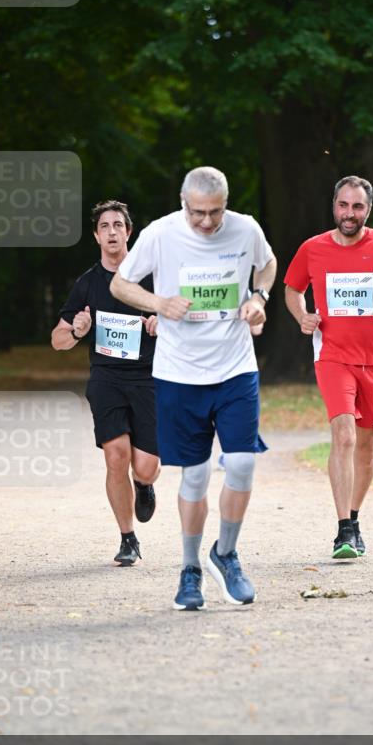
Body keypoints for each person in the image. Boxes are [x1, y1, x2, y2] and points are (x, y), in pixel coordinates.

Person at [110, 166, 277, 611]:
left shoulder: (245, 229)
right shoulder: (160, 234)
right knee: (197, 475)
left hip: (236, 367)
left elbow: (267, 265)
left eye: (215, 212)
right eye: (199, 213)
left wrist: (259, 300)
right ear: (184, 203)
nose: (207, 222)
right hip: (179, 373)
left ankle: (226, 553)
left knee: (242, 463)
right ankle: (190, 569)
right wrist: (159, 303)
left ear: (227, 203)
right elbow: (120, 284)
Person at [284, 175, 373, 559]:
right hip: (332, 355)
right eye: (343, 205)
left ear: (368, 210)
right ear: (334, 206)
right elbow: (292, 290)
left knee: (366, 444)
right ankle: (343, 529)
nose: (349, 213)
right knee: (343, 436)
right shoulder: (313, 248)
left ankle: (356, 517)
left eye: (357, 206)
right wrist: (302, 316)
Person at [51, 201, 160, 566]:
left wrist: (163, 324)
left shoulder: (152, 278)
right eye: (105, 226)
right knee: (116, 456)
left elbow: (186, 319)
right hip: (107, 379)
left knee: (144, 466)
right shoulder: (87, 284)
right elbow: (58, 340)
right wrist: (77, 330)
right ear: (96, 235)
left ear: (129, 233)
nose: (112, 232)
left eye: (118, 225)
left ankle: (144, 486)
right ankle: (128, 538)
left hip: (149, 380)